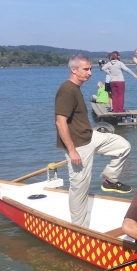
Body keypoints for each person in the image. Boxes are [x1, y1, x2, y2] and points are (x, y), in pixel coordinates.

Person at [55, 55, 132, 227]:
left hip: (90, 136)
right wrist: (72, 150)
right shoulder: (67, 90)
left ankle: (110, 180)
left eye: (90, 69)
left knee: (123, 146)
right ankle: (79, 228)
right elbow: (60, 122)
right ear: (73, 70)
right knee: (79, 189)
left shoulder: (75, 88)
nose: (90, 72)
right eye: (86, 69)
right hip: (78, 145)